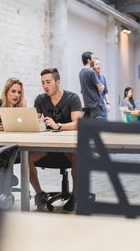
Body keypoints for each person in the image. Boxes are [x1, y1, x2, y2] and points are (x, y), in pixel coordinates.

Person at [29, 68, 83, 213]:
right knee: (26, 157)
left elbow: (78, 123)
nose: (45, 86)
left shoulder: (72, 98)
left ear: (57, 81)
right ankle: (40, 194)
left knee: (78, 156)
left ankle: (75, 195)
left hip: (68, 149)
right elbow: (35, 121)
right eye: (42, 83)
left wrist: (58, 126)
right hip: (47, 148)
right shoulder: (40, 99)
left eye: (48, 82)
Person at [79, 51, 106, 120]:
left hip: (87, 106)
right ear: (88, 60)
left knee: (89, 128)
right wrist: (102, 87)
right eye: (93, 58)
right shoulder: (91, 72)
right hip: (95, 106)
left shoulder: (81, 73)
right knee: (98, 128)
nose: (94, 61)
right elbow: (100, 88)